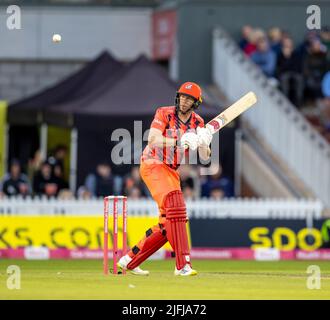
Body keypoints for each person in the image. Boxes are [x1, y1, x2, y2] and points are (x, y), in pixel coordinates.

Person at [117, 82, 212, 276]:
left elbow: (205, 156)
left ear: (196, 103)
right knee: (177, 206)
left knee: (168, 223)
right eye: (182, 97)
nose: (184, 101)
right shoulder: (164, 113)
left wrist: (204, 142)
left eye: (189, 99)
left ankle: (129, 260)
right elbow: (153, 139)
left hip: (171, 170)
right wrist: (180, 140)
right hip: (153, 163)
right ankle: (183, 265)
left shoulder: (198, 123)